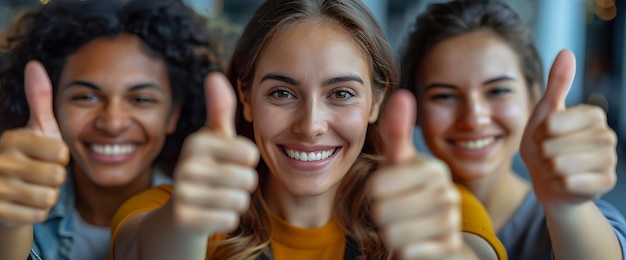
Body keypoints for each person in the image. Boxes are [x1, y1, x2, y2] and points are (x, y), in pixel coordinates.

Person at [111, 0, 508, 259]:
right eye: (282, 93)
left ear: (376, 101)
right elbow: (141, 249)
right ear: (245, 98)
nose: (311, 126)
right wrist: (186, 226)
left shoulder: (438, 208)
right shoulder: (175, 208)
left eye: (341, 93)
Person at [399, 0, 626, 259]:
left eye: (498, 90)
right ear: (414, 105)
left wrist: (567, 207)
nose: (474, 119)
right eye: (445, 96)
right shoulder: (386, 219)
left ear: (532, 96)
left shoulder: (584, 216)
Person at [0, 0, 218, 259]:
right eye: (87, 97)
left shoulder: (210, 216)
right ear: (55, 104)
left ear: (174, 114)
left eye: (141, 99)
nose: (113, 123)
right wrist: (9, 223)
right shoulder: (11, 190)